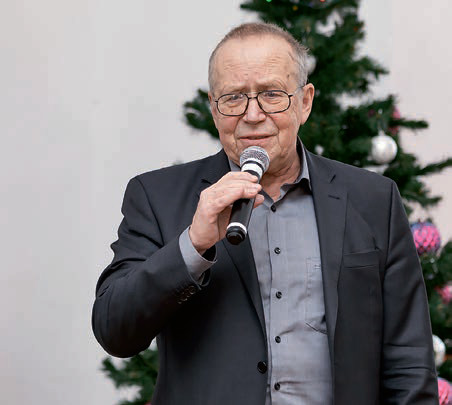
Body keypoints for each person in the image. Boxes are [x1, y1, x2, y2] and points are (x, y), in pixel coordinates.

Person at [92, 23, 438, 404]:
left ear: (305, 102)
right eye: (234, 98)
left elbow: (409, 364)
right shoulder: (157, 197)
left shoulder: (373, 200)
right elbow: (114, 330)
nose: (253, 115)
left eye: (272, 95)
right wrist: (192, 245)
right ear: (213, 107)